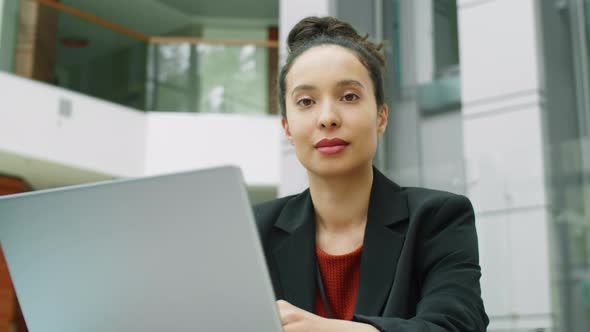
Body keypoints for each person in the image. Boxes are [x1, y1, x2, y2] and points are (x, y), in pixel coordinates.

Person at [254, 16, 488, 332]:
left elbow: (456, 325)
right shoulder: (255, 232)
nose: (327, 118)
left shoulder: (437, 219)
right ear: (287, 129)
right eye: (306, 101)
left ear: (381, 116)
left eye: (349, 96)